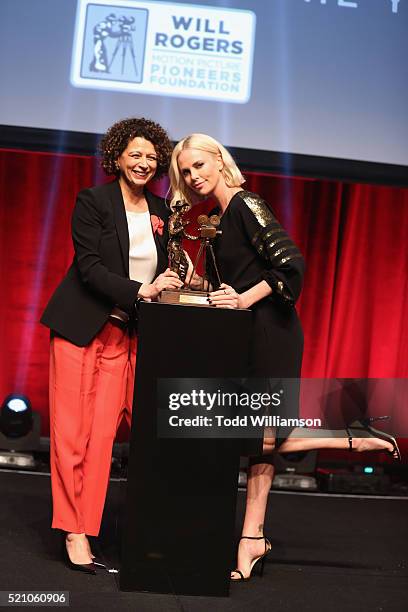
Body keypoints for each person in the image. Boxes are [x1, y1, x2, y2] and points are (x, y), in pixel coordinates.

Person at [169, 133, 400, 581]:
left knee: (259, 439)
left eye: (200, 165)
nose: (194, 177)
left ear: (219, 161)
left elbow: (290, 265)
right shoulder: (215, 218)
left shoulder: (247, 205)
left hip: (270, 332)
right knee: (255, 438)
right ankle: (252, 537)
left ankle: (348, 444)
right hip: (243, 334)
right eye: (186, 172)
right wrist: (188, 281)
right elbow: (228, 285)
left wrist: (243, 300)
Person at [41, 117, 183, 573]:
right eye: (134, 154)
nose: (143, 163)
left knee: (102, 438)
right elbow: (90, 267)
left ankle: (89, 524)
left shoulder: (164, 211)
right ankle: (73, 530)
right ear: (117, 157)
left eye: (150, 156)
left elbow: (168, 272)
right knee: (71, 436)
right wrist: (140, 290)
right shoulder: (94, 201)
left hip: (125, 334)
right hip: (80, 327)